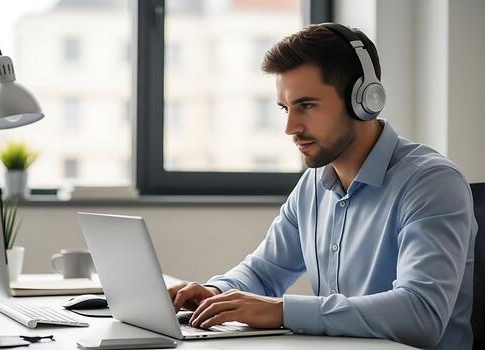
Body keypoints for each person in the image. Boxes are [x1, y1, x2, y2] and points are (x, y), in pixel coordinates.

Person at [167, 23, 476, 350]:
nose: (290, 127)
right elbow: (264, 272)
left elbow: (421, 314)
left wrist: (283, 311)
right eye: (285, 109)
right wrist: (216, 292)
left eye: (307, 106)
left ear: (364, 101)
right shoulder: (314, 184)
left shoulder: (431, 183)